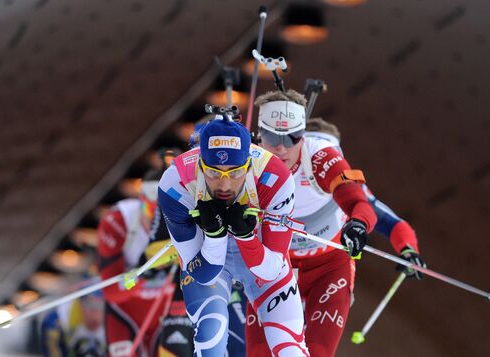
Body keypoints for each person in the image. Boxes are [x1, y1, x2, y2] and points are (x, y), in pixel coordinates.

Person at [158, 114, 309, 356]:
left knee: (290, 349)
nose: (225, 185)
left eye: (236, 173)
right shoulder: (175, 184)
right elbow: (203, 274)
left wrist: (246, 236)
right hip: (208, 257)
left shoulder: (276, 178)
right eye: (214, 173)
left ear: (249, 165)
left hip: (259, 255)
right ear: (200, 164)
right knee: (212, 335)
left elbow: (270, 269)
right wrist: (216, 235)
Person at [245, 90, 379, 357]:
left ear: (303, 136)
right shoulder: (246, 161)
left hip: (328, 266)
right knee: (259, 353)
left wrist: (358, 225)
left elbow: (360, 204)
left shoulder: (320, 156)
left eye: (291, 138)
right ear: (259, 135)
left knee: (318, 351)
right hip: (274, 267)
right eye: (272, 138)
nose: (282, 148)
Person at [304, 117, 426, 279]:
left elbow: (392, 223)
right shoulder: (277, 173)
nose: (318, 163)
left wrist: (408, 250)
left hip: (325, 267)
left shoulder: (347, 186)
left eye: (329, 152)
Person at [98, 178, 178, 357]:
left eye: (163, 214)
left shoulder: (183, 221)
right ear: (140, 202)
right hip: (124, 314)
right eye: (149, 210)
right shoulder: (119, 220)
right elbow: (110, 291)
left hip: (166, 313)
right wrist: (141, 278)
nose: (155, 221)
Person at [41, 289, 106, 357]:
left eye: (101, 307)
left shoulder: (114, 316)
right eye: (90, 306)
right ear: (80, 305)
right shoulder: (61, 317)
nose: (95, 315)